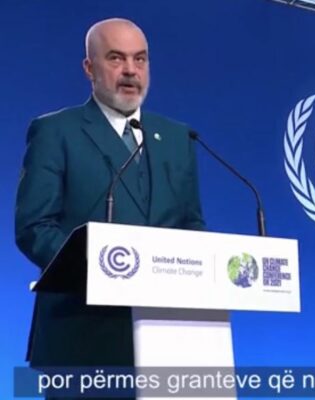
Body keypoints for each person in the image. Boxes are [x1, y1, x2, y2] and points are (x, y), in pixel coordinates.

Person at [15, 18, 205, 370]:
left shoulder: (177, 137)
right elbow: (34, 227)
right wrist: (101, 272)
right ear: (89, 68)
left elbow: (191, 224)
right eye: (116, 58)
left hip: (169, 336)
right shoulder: (56, 131)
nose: (131, 70)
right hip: (80, 336)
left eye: (140, 59)